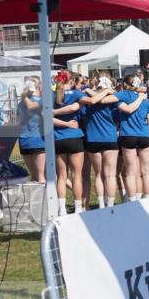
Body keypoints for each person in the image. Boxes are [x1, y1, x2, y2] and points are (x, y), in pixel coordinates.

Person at [80, 73, 123, 208]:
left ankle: (101, 205)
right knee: (110, 175)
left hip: (92, 139)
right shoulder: (113, 100)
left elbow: (83, 116)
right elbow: (118, 118)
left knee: (98, 174)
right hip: (109, 138)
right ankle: (110, 205)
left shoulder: (88, 100)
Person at [115, 76, 149, 201]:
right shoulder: (146, 101)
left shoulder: (122, 98)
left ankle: (132, 201)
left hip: (128, 135)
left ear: (125, 85)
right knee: (147, 172)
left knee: (130, 173)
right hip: (145, 136)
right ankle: (148, 199)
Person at [51, 72, 86, 215]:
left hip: (58, 138)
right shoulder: (76, 94)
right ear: (71, 81)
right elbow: (81, 105)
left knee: (61, 176)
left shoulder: (52, 96)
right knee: (76, 176)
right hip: (74, 137)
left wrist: (62, 122)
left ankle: (62, 209)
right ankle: (78, 207)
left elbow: (48, 117)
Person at [16, 76, 45, 182]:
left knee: (33, 176)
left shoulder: (21, 103)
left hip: (23, 140)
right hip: (38, 139)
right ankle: (46, 194)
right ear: (39, 86)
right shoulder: (41, 100)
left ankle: (35, 194)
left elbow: (17, 120)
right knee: (41, 176)